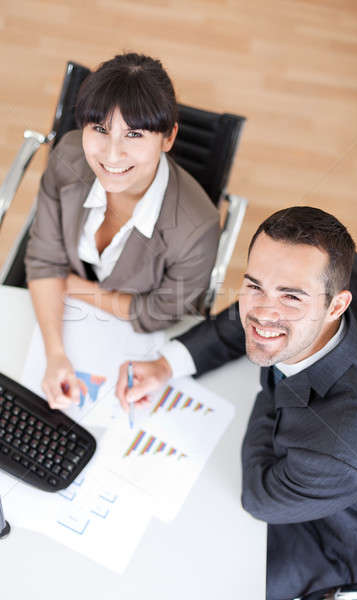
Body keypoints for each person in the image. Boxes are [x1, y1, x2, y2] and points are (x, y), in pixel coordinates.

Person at [116, 206, 357, 600]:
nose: (264, 310)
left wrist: (270, 383)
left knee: (185, 578)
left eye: (291, 297)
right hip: (313, 477)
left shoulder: (344, 450)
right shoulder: (330, 266)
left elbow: (259, 496)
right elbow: (257, 315)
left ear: (337, 305)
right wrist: (169, 363)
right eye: (254, 286)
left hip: (338, 540)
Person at [25, 52, 220, 411]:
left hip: (130, 346)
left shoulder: (198, 229)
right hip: (66, 324)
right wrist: (55, 355)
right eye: (99, 129)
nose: (112, 155)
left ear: (168, 137)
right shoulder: (69, 156)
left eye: (134, 134)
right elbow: (42, 260)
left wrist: (70, 285)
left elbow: (160, 312)